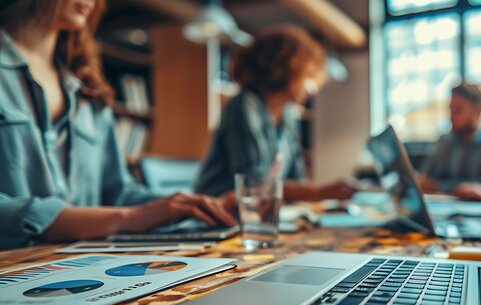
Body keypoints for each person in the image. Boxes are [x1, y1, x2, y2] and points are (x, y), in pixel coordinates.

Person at [0, 0, 236, 251]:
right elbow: (123, 212)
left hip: (84, 266)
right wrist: (126, 218)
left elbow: (119, 194)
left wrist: (193, 208)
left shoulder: (89, 91)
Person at [195, 26, 356, 201]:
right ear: (284, 69)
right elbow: (253, 183)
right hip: (217, 215)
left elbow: (296, 178)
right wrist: (321, 193)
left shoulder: (288, 115)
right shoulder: (244, 105)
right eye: (308, 75)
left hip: (260, 214)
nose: (314, 88)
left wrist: (318, 194)